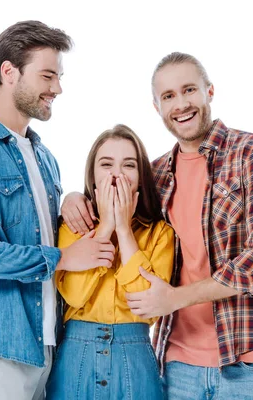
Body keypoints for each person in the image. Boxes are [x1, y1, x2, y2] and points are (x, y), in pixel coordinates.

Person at [61, 52, 253, 399]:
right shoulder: (156, 174)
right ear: (157, 107)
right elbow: (113, 183)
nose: (180, 104)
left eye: (189, 90)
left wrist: (173, 299)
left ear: (209, 91)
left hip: (248, 361)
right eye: (168, 96)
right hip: (178, 361)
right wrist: (73, 198)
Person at [0, 21, 116, 400]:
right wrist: (62, 257)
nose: (58, 88)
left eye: (60, 76)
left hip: (44, 344)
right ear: (9, 72)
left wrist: (69, 203)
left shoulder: (43, 157)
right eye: (48, 75)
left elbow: (37, 232)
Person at [46, 124, 174, 400]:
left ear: (140, 177)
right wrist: (105, 226)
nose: (116, 174)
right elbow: (75, 295)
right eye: (106, 164)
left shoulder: (160, 233)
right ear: (92, 174)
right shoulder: (71, 227)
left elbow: (147, 307)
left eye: (129, 165)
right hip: (76, 356)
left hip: (135, 356)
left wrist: (125, 230)